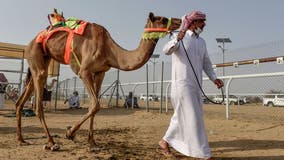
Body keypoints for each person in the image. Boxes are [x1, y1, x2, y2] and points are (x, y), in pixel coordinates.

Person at [158, 11, 224, 160]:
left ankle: (164, 141)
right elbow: (166, 51)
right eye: (202, 22)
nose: (204, 24)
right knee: (194, 117)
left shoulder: (202, 42)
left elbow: (206, 63)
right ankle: (204, 154)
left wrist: (214, 78)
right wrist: (177, 40)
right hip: (181, 85)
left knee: (181, 116)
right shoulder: (178, 37)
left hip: (195, 86)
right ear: (193, 23)